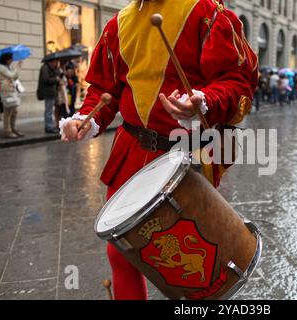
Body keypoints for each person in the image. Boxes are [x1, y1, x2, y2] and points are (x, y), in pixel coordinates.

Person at [60, 0, 258, 300]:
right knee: (122, 251)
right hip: (131, 149)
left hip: (187, 153)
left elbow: (236, 79)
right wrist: (86, 118)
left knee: (200, 260)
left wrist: (203, 100)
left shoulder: (207, 13)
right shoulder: (118, 23)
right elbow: (106, 89)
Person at [0, 53, 24, 139]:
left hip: (11, 91)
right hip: (6, 91)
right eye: (11, 59)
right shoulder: (1, 67)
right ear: (6, 59)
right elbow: (11, 75)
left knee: (14, 111)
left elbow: (15, 77)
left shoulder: (8, 67)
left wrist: (18, 67)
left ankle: (13, 129)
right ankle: (8, 131)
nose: (12, 60)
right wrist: (17, 67)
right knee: (7, 113)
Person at [37, 58, 61, 133]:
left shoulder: (51, 68)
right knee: (49, 110)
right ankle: (49, 127)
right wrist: (55, 79)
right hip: (47, 92)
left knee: (50, 110)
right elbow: (45, 79)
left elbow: (57, 74)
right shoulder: (45, 68)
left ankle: (50, 126)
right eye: (56, 61)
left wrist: (57, 69)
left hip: (51, 92)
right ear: (51, 61)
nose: (56, 63)